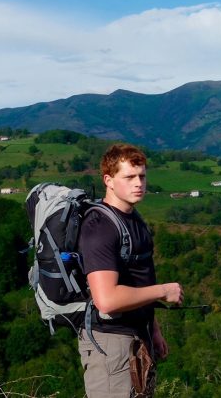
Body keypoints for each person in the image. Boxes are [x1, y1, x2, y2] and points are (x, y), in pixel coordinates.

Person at [77, 144, 184, 398]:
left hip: (137, 337)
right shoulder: (100, 227)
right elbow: (106, 300)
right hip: (111, 344)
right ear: (108, 180)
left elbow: (139, 280)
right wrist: (163, 291)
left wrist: (153, 330)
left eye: (142, 176)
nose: (138, 183)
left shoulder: (134, 219)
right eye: (129, 177)